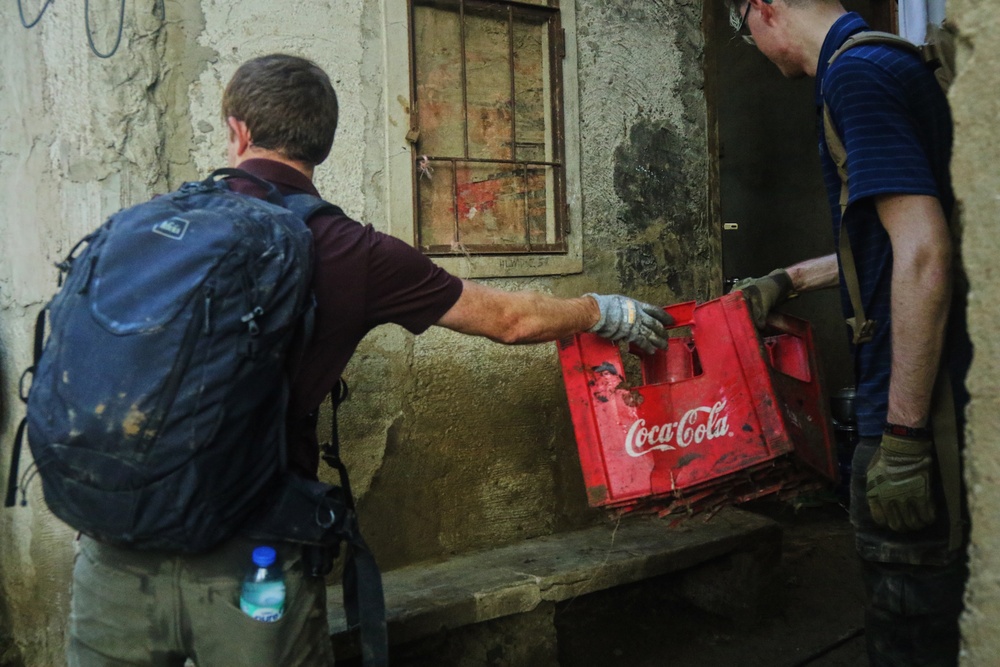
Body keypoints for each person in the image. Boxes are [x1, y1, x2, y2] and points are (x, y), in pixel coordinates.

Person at [65, 53, 674, 667]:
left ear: (237, 131)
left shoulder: (148, 228)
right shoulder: (353, 251)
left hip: (114, 544)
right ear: (323, 144)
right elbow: (507, 320)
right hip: (255, 560)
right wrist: (600, 309)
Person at [726, 0, 971, 664]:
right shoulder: (887, 61)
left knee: (910, 623)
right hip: (934, 394)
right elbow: (895, 240)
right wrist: (789, 280)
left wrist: (903, 438)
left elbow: (924, 254)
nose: (745, 39)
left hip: (920, 405)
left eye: (737, 21)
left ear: (765, 9)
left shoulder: (854, 76)